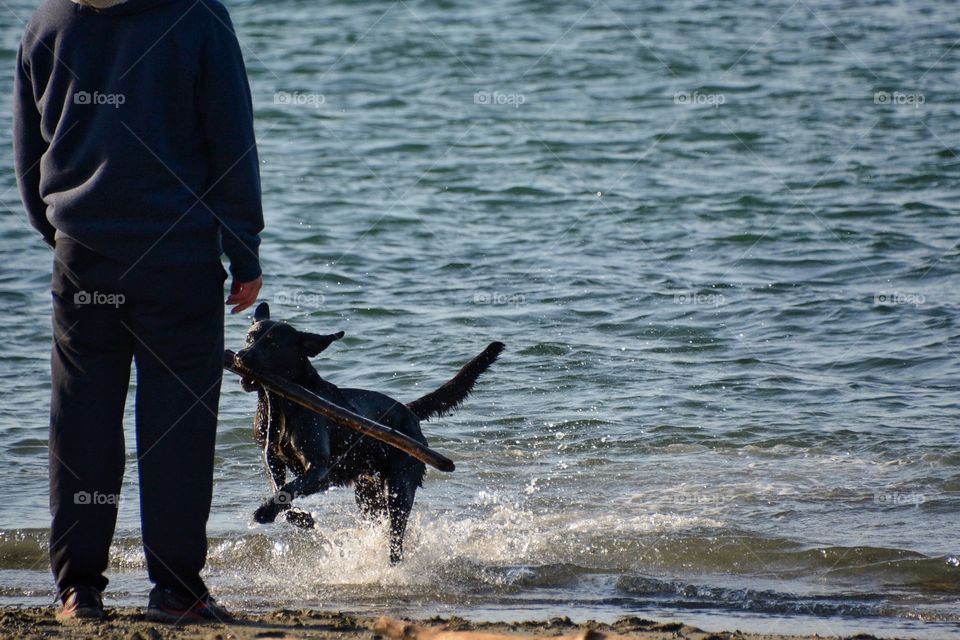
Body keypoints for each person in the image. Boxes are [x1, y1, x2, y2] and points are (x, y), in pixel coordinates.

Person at [13, 0, 264, 624]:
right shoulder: (199, 16)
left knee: (81, 421)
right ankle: (176, 590)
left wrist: (60, 233)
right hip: (177, 256)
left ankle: (79, 591)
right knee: (176, 427)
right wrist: (244, 248)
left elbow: (27, 151)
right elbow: (230, 139)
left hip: (82, 255)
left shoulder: (49, 21)